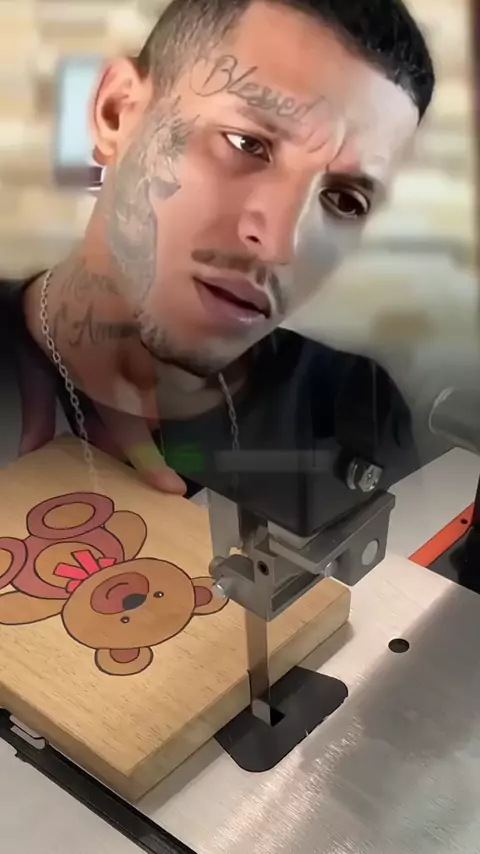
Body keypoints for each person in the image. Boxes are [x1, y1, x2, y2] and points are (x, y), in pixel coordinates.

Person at [1, 0, 435, 499]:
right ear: (117, 111)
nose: (279, 246)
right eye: (247, 143)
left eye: (344, 199)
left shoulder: (355, 408)